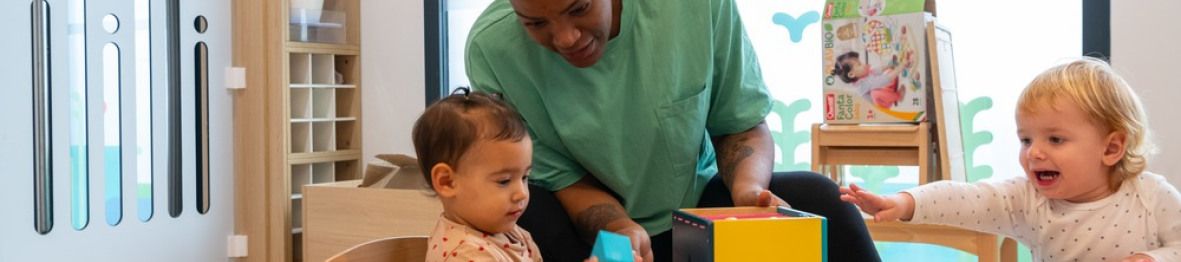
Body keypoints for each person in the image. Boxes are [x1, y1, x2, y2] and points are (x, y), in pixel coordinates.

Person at [464, 0, 881, 260]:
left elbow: (740, 125)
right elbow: (562, 179)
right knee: (523, 208)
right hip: (595, 235)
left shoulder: (693, 8)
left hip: (697, 212)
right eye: (535, 24)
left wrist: (749, 194)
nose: (566, 37)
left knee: (823, 198)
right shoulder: (492, 49)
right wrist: (622, 230)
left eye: (579, 9)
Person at [840, 58, 1181, 262]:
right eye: (1025, 139)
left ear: (1111, 149)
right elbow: (963, 198)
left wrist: (1152, 258)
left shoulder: (1150, 196)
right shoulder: (1028, 199)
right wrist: (902, 202)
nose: (1034, 152)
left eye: (1056, 139)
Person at [412, 90, 542, 261]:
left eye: (525, 177)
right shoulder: (466, 254)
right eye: (504, 181)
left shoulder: (506, 230)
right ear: (447, 181)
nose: (522, 193)